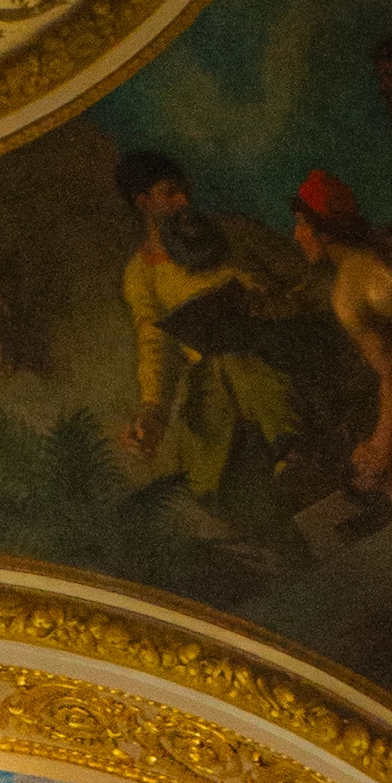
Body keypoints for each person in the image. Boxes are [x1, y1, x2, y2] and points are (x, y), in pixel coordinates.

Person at [113, 149, 339, 569]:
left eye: (184, 190)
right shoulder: (141, 273)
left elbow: (311, 279)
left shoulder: (236, 232)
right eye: (170, 193)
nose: (184, 201)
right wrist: (152, 408)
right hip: (214, 379)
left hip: (284, 348)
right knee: (206, 464)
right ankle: (288, 550)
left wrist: (269, 302)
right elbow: (154, 343)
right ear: (143, 203)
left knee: (238, 365)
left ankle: (293, 448)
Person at [289, 169, 392, 499]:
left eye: (302, 224)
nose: (295, 235)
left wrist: (380, 446)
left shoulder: (348, 290)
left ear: (324, 231)